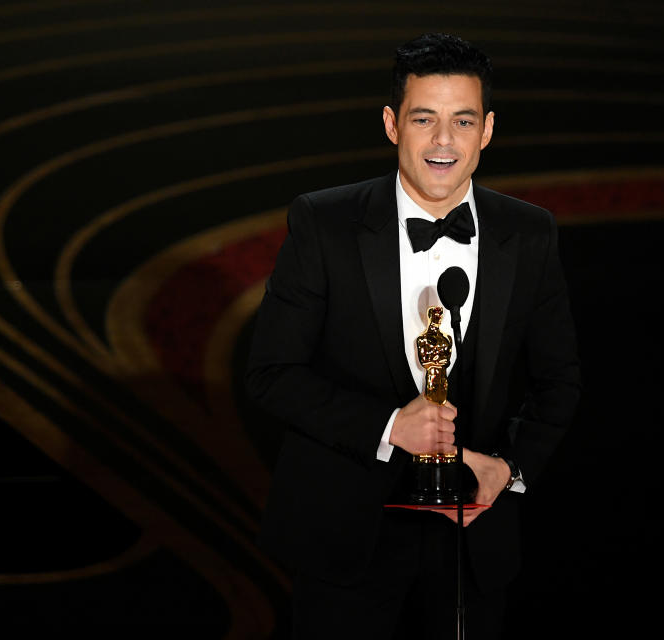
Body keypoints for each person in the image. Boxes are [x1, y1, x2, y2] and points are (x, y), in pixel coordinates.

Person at [246, 32, 580, 639]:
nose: (444, 142)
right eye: (424, 119)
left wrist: (508, 466)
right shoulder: (323, 222)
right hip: (345, 536)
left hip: (470, 542)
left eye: (462, 120)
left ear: (487, 130)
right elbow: (272, 373)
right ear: (391, 124)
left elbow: (559, 381)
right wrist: (387, 426)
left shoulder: (529, 233)